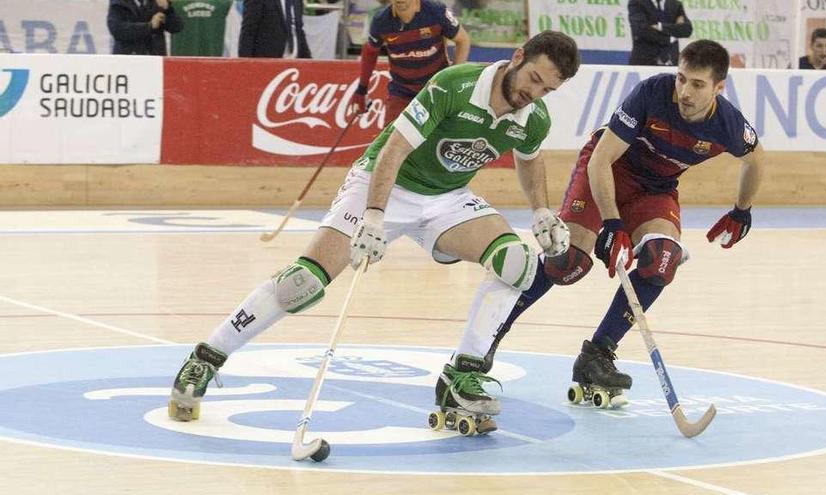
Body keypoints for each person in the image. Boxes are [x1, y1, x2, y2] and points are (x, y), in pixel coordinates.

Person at [168, 31, 581, 434]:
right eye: (533, 79)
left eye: (547, 89)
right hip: (385, 183)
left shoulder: (534, 118)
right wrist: (374, 215)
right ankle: (207, 356)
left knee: (517, 262)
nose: (535, 93)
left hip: (447, 198)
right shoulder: (454, 85)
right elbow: (394, 150)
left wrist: (541, 211)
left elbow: (529, 160)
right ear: (517, 57)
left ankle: (463, 375)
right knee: (301, 283)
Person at [454, 39, 765, 409]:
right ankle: (491, 333)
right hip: (607, 169)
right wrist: (613, 223)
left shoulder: (728, 123)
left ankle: (597, 355)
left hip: (655, 188)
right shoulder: (652, 94)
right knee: (568, 262)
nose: (684, 91)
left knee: (662, 260)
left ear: (718, 88)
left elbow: (756, 160)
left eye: (697, 84)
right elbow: (601, 160)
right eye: (681, 79)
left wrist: (741, 210)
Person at [347, 0, 471, 123]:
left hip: (436, 89)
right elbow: (370, 52)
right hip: (401, 92)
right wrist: (361, 89)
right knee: (390, 141)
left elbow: (463, 40)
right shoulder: (381, 21)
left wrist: (453, 81)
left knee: (437, 140)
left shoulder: (436, 11)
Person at [627, 0, 692, 66]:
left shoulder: (675, 4)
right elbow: (641, 30)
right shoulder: (637, 2)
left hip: (671, 62)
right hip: (645, 62)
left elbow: (686, 30)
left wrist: (660, 26)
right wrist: (671, 38)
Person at [107, 0, 184, 55]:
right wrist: (149, 26)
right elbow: (117, 30)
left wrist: (168, 9)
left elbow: (177, 27)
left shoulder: (158, 2)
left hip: (155, 58)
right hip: (128, 59)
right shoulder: (119, 2)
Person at [238, 0, 311, 58]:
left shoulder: (297, 1)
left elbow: (298, 31)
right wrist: (245, 65)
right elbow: (248, 32)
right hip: (268, 63)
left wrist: (310, 62)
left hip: (295, 65)